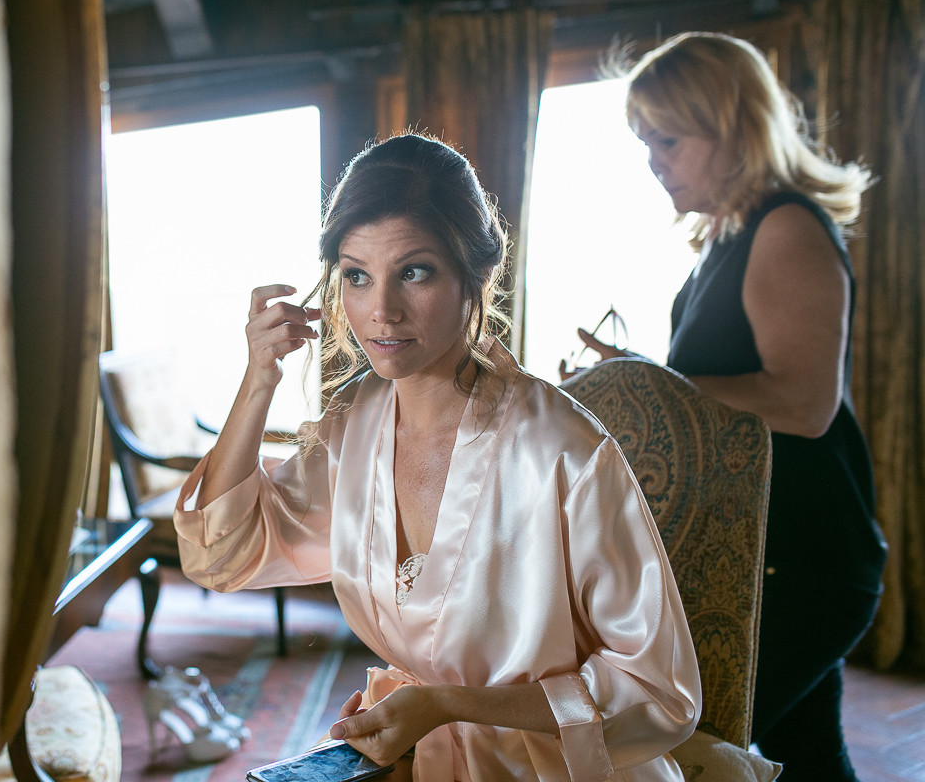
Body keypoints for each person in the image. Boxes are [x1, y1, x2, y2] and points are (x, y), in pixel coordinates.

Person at [173, 134, 701, 782]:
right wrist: (258, 379)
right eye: (356, 275)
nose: (381, 311)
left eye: (414, 271)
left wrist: (445, 704)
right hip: (413, 756)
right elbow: (220, 554)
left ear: (475, 273)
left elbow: (660, 694)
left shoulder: (565, 454)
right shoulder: (353, 425)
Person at [569, 32, 887, 782]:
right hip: (770, 550)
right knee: (801, 757)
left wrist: (643, 387)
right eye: (644, 140)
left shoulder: (787, 227)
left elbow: (805, 403)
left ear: (736, 126)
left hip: (802, 557)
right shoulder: (731, 233)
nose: (652, 159)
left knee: (694, 756)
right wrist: (634, 379)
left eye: (668, 139)